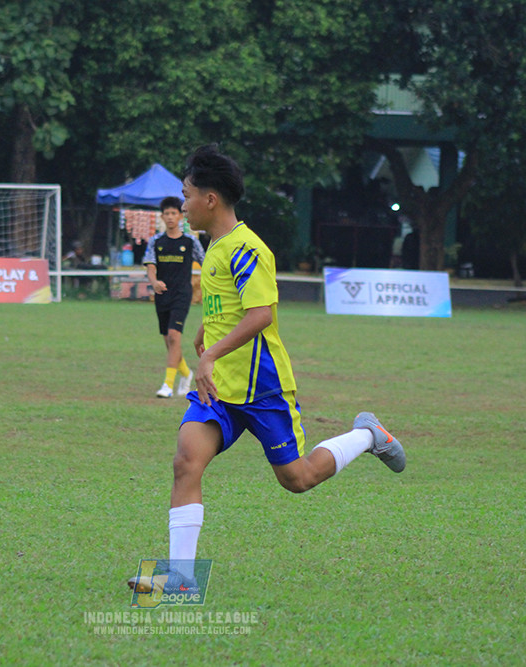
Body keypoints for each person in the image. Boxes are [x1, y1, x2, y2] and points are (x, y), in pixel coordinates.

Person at [127, 145, 406, 594]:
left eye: (187, 195)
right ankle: (181, 580)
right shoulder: (215, 244)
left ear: (211, 199)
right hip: (217, 388)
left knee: (298, 479)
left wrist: (211, 354)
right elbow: (228, 306)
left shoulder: (247, 248)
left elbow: (261, 314)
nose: (181, 206)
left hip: (261, 387)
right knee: (186, 462)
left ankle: (368, 435)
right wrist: (206, 335)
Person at [143, 196, 206, 398]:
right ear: (162, 217)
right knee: (169, 342)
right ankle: (186, 374)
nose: (170, 217)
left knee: (174, 337)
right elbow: (150, 265)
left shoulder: (190, 242)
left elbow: (206, 262)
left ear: (180, 216)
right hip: (162, 296)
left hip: (182, 294)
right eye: (166, 214)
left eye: (173, 213)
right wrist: (154, 282)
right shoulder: (155, 241)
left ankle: (167, 386)